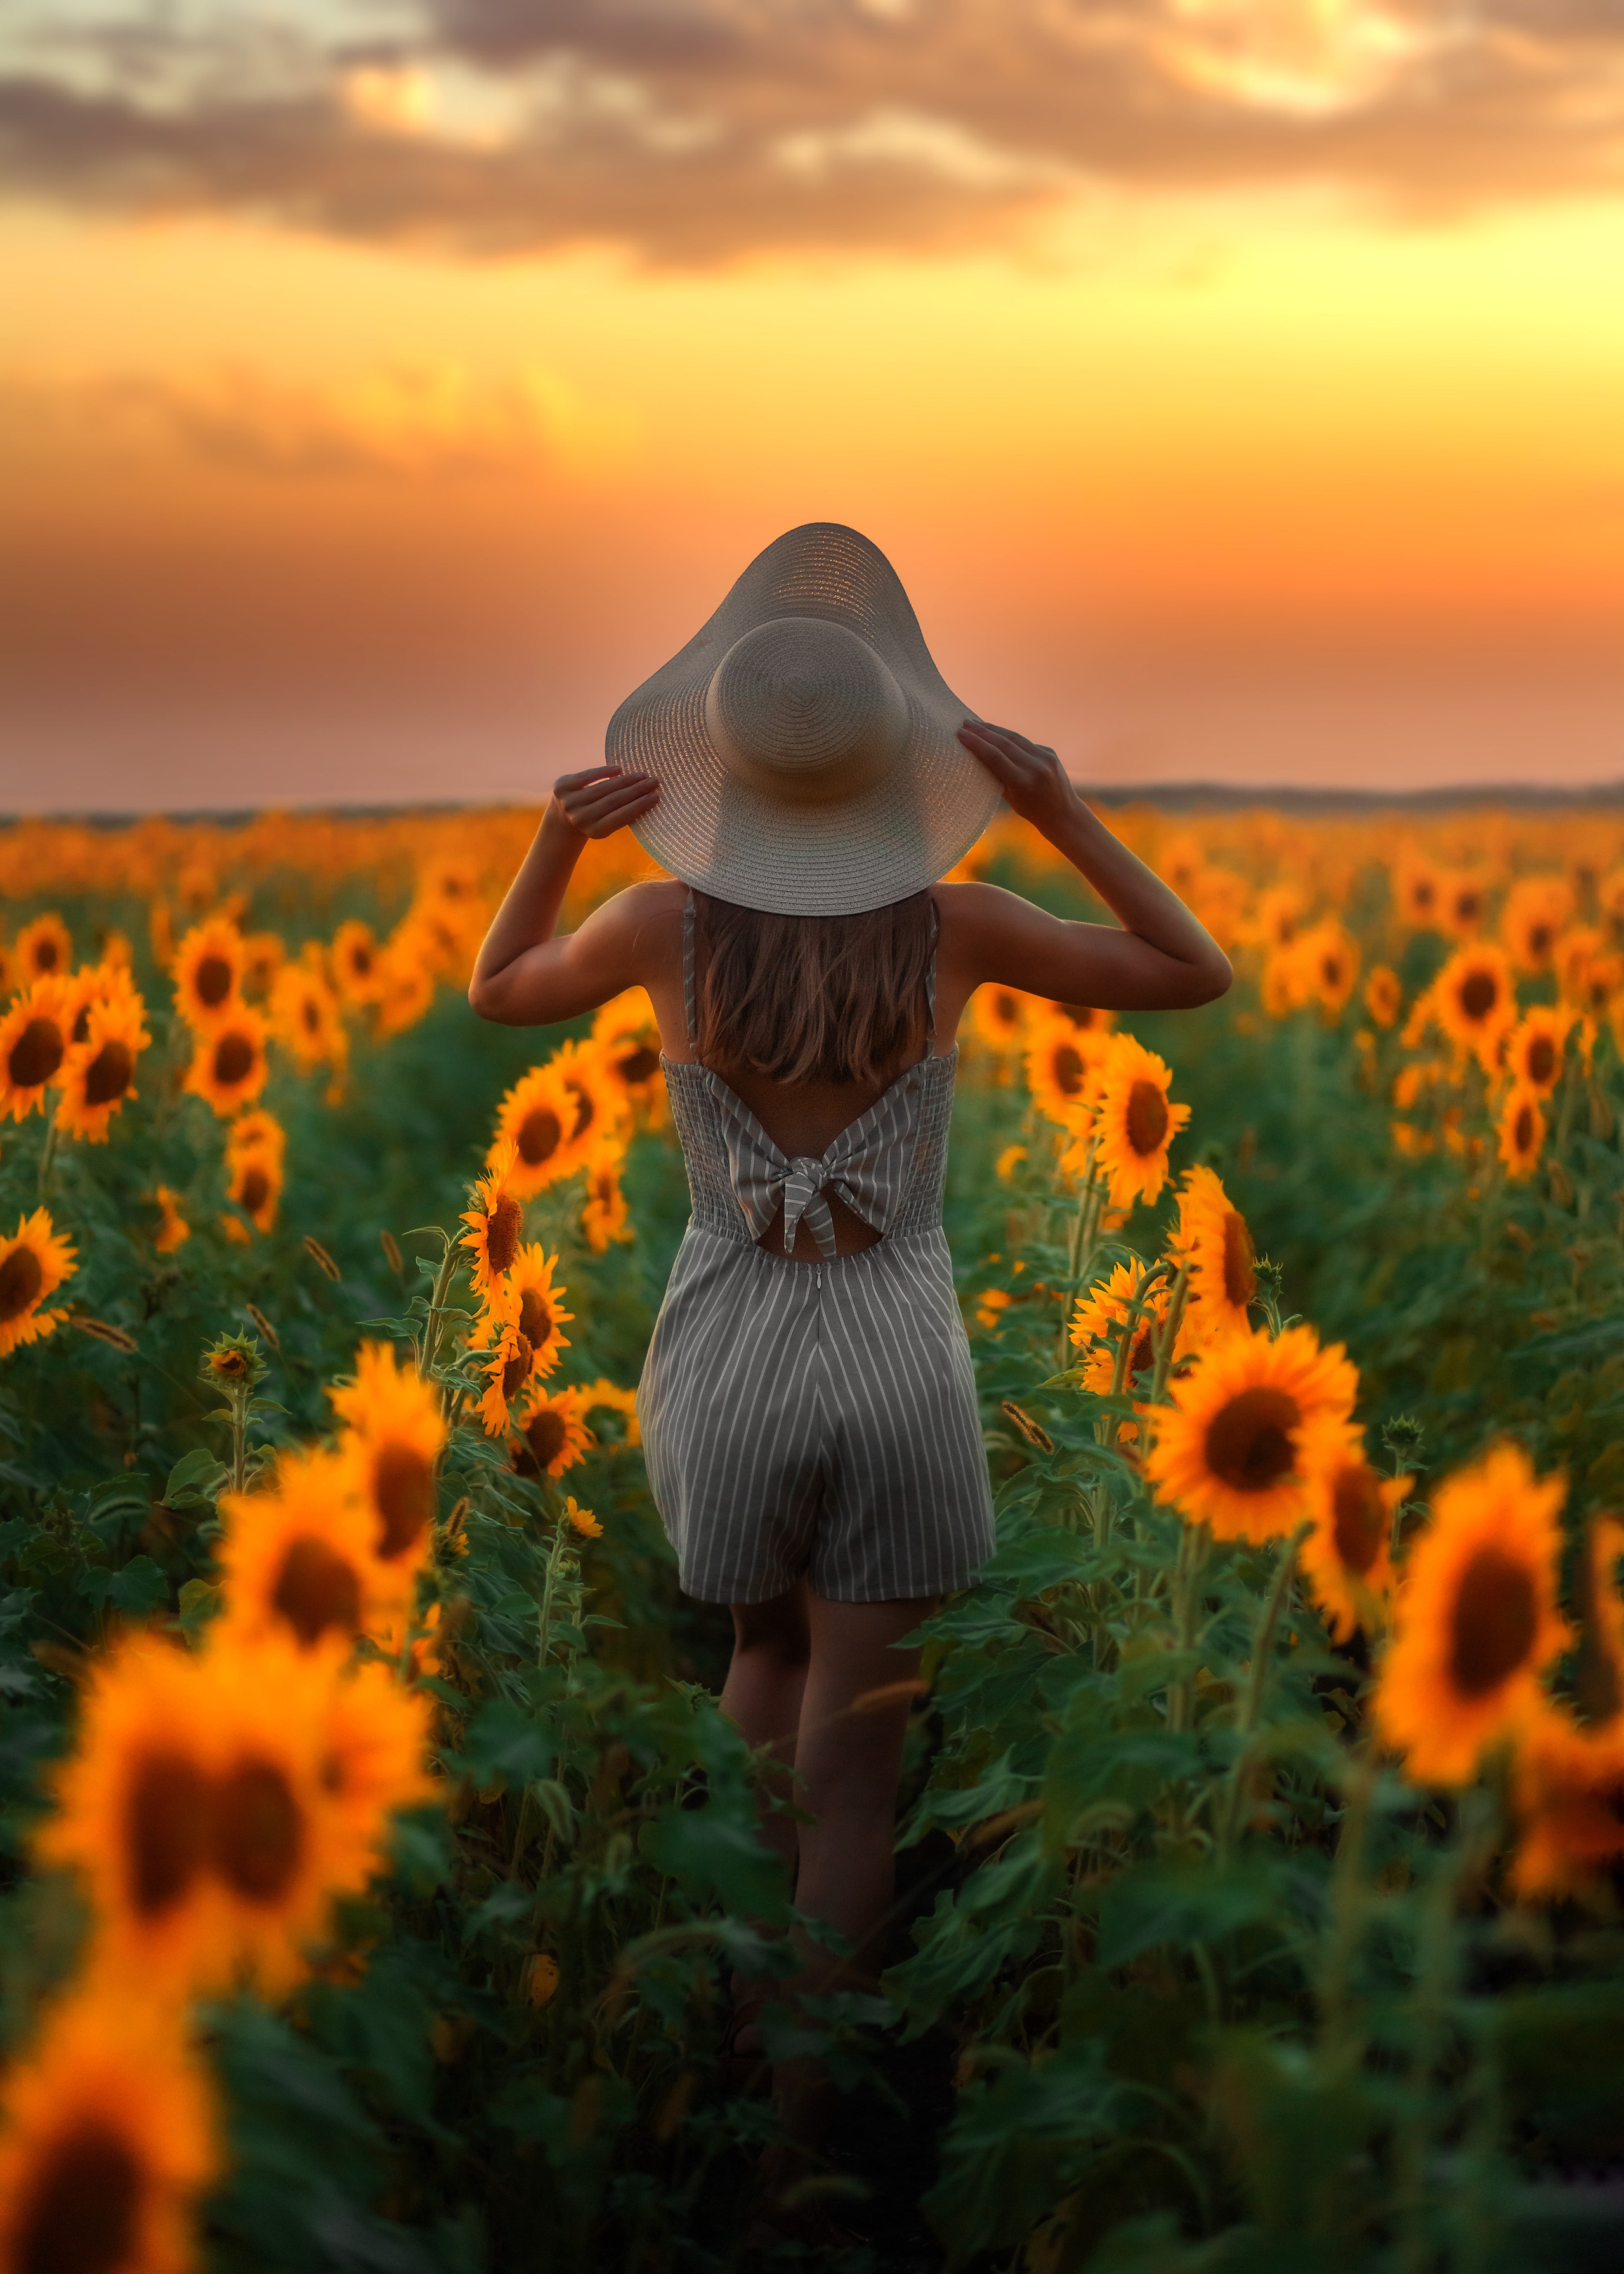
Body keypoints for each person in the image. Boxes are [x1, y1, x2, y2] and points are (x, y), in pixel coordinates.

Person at [469, 522, 1230, 2229]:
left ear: (719, 771)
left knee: (759, 1656)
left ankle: (717, 2060)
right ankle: (812, 2143)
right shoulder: (957, 931)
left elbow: (496, 988)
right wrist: (1064, 816)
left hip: (729, 1346)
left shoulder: (661, 934)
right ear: (893, 776)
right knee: (860, 1776)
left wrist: (549, 842)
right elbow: (1194, 972)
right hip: (893, 1348)